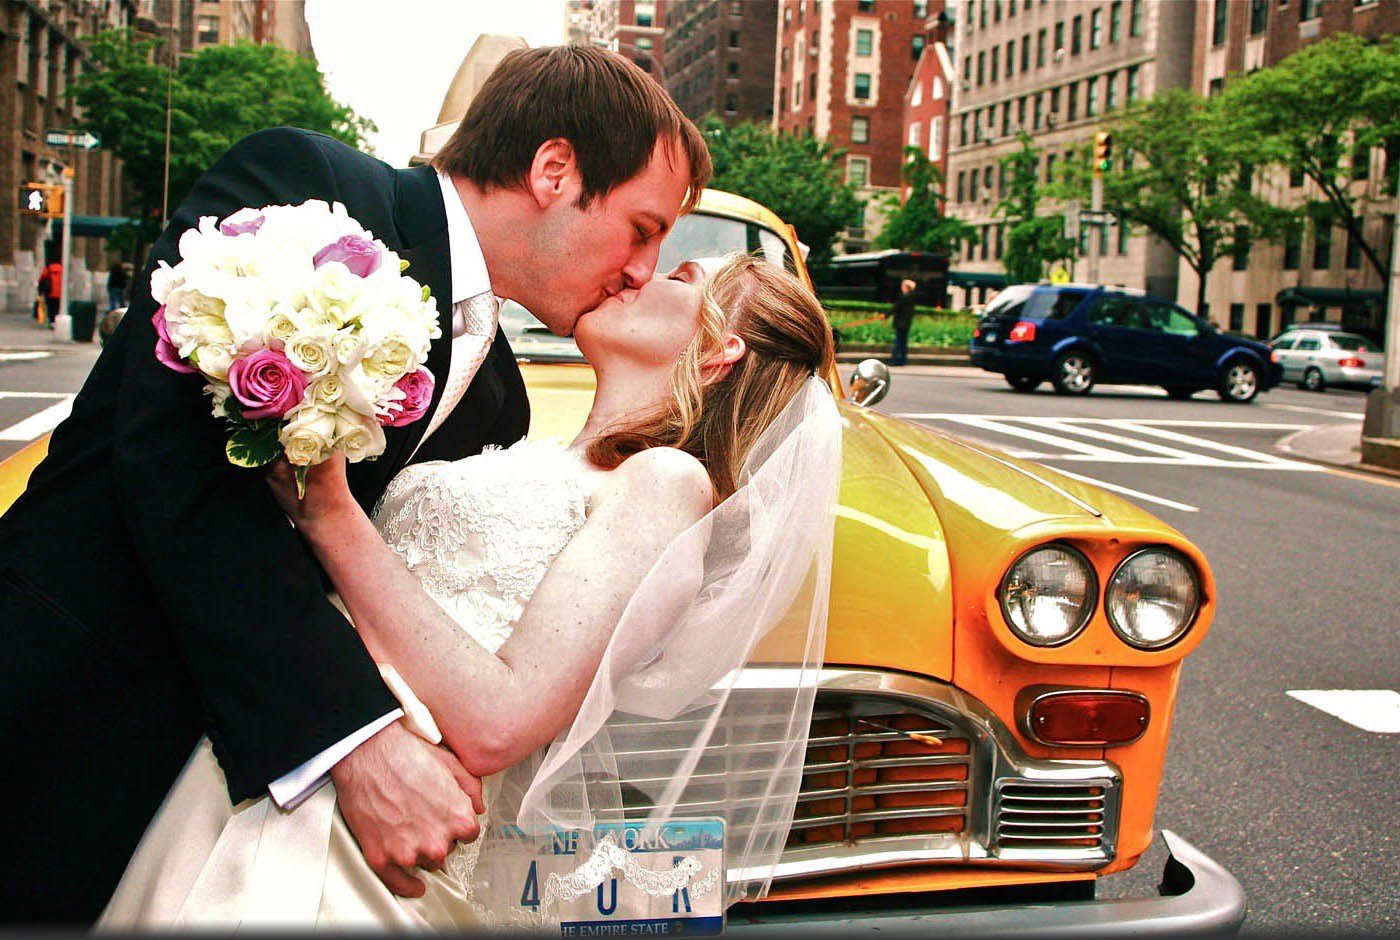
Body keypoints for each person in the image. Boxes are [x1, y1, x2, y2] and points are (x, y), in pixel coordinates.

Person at [0, 44, 710, 923]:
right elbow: (171, 465)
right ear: (554, 170)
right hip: (65, 715)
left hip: (237, 814)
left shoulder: (500, 400)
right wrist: (352, 738)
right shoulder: (307, 193)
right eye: (642, 230)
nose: (642, 269)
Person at [98, 254, 842, 929]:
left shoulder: (667, 482)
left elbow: (499, 720)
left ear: (719, 352)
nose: (633, 272)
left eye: (679, 276)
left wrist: (326, 510)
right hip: (293, 759)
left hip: (371, 844)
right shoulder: (537, 449)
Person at [887, 277, 917, 366]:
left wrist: (886, 315)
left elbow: (895, 307)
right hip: (906, 323)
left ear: (906, 287)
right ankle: (902, 360)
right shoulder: (912, 297)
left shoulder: (905, 297)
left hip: (900, 323)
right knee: (903, 343)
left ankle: (895, 360)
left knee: (898, 342)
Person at [37, 258, 62, 326]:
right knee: (58, 307)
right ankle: (57, 321)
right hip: (60, 292)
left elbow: (42, 279)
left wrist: (40, 291)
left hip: (50, 292)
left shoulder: (48, 268)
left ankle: (52, 321)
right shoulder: (62, 269)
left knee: (51, 307)